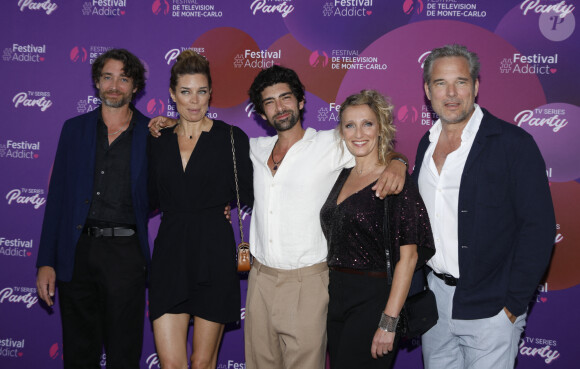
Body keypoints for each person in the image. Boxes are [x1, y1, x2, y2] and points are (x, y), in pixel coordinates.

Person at [150, 65, 408, 369]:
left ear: (300, 102)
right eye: (269, 102)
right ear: (261, 112)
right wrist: (173, 123)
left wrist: (398, 163)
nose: (279, 107)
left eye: (285, 98)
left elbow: (374, 149)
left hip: (308, 282)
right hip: (260, 281)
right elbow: (201, 156)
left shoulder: (331, 144)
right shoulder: (252, 149)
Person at [414, 44, 556, 369]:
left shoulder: (512, 144)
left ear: (476, 86)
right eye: (440, 83)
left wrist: (512, 305)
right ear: (427, 90)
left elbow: (539, 228)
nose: (451, 93)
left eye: (461, 82)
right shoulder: (427, 142)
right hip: (435, 301)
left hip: (491, 307)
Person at [36, 49, 150, 369]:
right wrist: (46, 261)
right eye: (107, 77)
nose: (115, 85)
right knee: (79, 354)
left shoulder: (153, 134)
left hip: (126, 254)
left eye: (123, 78)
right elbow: (57, 198)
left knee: (123, 355)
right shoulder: (73, 130)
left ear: (135, 87)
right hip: (78, 253)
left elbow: (168, 190)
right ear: (97, 83)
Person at [147, 50, 253, 369]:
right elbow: (147, 197)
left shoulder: (232, 138)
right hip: (170, 255)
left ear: (210, 93)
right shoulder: (157, 139)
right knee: (171, 364)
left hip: (214, 254)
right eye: (185, 92)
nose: (194, 101)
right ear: (172, 94)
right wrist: (165, 126)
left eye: (201, 91)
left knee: (202, 363)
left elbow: (253, 191)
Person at [320, 90, 435, 369]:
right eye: (350, 125)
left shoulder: (395, 181)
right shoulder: (342, 175)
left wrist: (388, 321)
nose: (359, 133)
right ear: (341, 131)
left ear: (381, 128)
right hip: (335, 296)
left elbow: (407, 259)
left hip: (374, 300)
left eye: (367, 124)